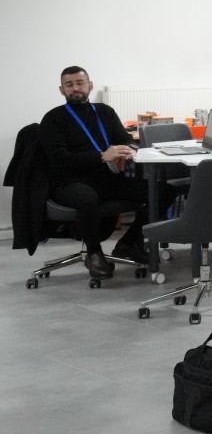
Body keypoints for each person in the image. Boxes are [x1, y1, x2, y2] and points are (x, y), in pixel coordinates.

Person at [38, 65, 152, 280]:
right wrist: (101, 156)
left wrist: (129, 149)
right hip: (69, 181)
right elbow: (59, 160)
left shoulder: (105, 112)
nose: (75, 88)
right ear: (62, 90)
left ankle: (129, 243)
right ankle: (94, 253)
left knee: (161, 191)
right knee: (87, 198)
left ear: (90, 85)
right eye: (69, 84)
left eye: (79, 83)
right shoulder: (53, 119)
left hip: (107, 178)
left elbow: (125, 139)